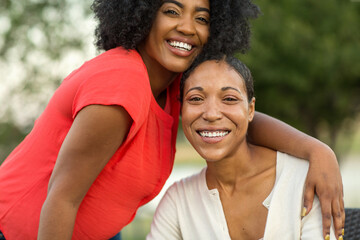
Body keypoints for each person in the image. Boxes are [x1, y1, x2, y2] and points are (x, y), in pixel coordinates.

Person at [0, 0, 343, 239]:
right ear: (144, 14)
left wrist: (316, 151)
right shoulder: (122, 82)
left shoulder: (175, 84)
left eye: (202, 17)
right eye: (171, 11)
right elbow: (61, 198)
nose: (187, 27)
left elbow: (239, 118)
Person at [147, 55, 339, 240]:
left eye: (229, 99)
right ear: (182, 111)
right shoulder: (179, 201)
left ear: (251, 110)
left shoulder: (304, 180)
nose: (211, 114)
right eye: (196, 99)